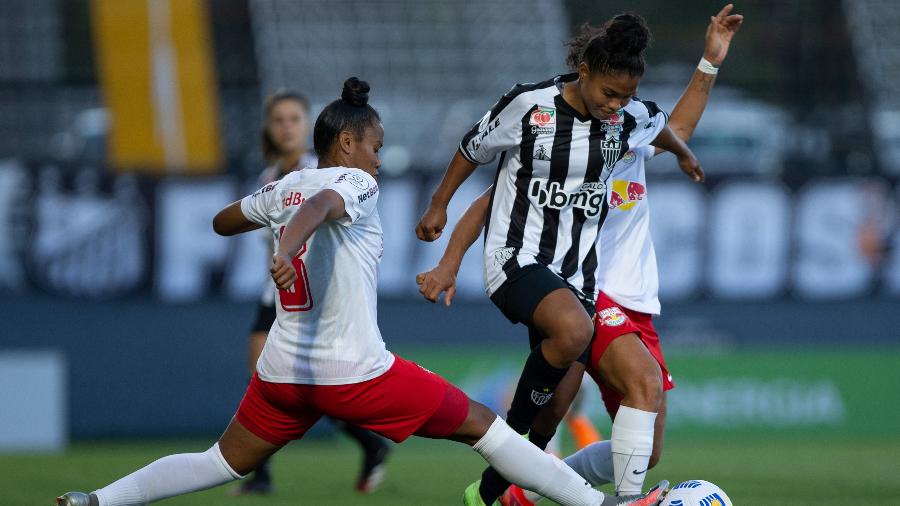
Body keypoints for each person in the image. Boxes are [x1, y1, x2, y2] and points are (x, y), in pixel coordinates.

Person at [56, 77, 668, 506]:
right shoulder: (352, 181)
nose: (378, 160)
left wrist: (274, 215)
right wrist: (293, 240)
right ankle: (602, 505)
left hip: (284, 373)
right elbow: (324, 204)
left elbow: (223, 220)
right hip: (355, 372)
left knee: (220, 462)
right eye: (375, 146)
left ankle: (96, 500)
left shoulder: (286, 183)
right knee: (487, 427)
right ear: (348, 143)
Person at [414, 6, 744, 505]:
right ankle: (624, 499)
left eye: (625, 97)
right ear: (586, 72)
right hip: (561, 279)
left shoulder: (628, 130)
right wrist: (446, 247)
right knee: (631, 373)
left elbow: (667, 126)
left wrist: (697, 101)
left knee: (617, 438)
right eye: (611, 94)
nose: (617, 106)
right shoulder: (537, 114)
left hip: (603, 288)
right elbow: (492, 195)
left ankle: (499, 491)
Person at [233, 89, 390, 496]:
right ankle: (262, 473)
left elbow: (319, 211)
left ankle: (369, 443)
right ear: (269, 128)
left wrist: (284, 251)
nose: (286, 127)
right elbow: (232, 223)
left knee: (308, 387)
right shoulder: (269, 179)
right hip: (278, 291)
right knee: (270, 380)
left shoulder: (321, 174)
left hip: (316, 297)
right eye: (278, 120)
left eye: (294, 119)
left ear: (309, 127)